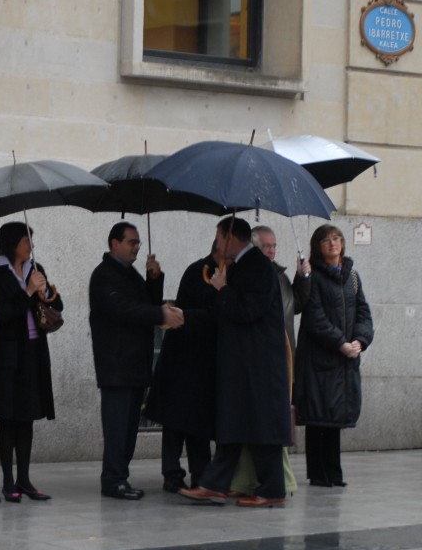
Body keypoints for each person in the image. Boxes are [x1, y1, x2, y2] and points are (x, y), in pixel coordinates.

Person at [179, 217, 291, 508]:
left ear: (230, 237)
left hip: (257, 364)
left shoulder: (258, 266)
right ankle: (214, 484)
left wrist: (222, 289)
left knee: (259, 426)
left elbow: (248, 310)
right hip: (243, 362)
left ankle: (269, 489)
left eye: (219, 237)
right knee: (237, 423)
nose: (217, 244)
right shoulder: (241, 266)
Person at [89, 221, 182, 501]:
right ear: (114, 244)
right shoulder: (104, 275)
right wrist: (160, 314)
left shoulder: (130, 274)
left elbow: (145, 303)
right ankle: (113, 479)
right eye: (131, 242)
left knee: (129, 428)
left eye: (138, 242)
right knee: (117, 427)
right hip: (116, 365)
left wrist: (154, 279)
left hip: (134, 364)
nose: (137, 247)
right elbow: (124, 309)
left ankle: (120, 477)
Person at [227, 225, 312, 497]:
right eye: (266, 246)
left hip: (280, 352)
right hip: (262, 353)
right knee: (261, 420)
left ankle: (278, 481)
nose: (272, 250)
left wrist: (303, 277)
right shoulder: (252, 272)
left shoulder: (278, 274)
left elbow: (295, 303)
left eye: (274, 246)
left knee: (272, 420)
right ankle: (251, 481)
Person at [0, 222, 63, 502]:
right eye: (25, 240)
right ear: (11, 243)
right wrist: (28, 291)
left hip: (33, 352)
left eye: (31, 239)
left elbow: (57, 306)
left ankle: (25, 479)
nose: (30, 245)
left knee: (27, 418)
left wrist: (47, 292)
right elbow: (2, 314)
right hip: (8, 355)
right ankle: (8, 481)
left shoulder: (36, 268)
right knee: (9, 418)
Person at [294, 224, 374, 486]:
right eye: (326, 240)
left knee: (335, 416)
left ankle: (334, 472)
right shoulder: (313, 275)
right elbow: (314, 317)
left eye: (337, 238)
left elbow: (363, 313)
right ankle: (319, 473)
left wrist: (360, 340)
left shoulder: (352, 276)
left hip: (345, 358)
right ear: (317, 246)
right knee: (319, 416)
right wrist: (340, 343)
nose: (333, 243)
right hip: (320, 358)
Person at [144, 240, 219, 492]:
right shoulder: (199, 271)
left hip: (206, 358)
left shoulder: (226, 274)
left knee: (198, 420)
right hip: (184, 354)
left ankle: (201, 472)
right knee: (176, 420)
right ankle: (173, 473)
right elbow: (201, 310)